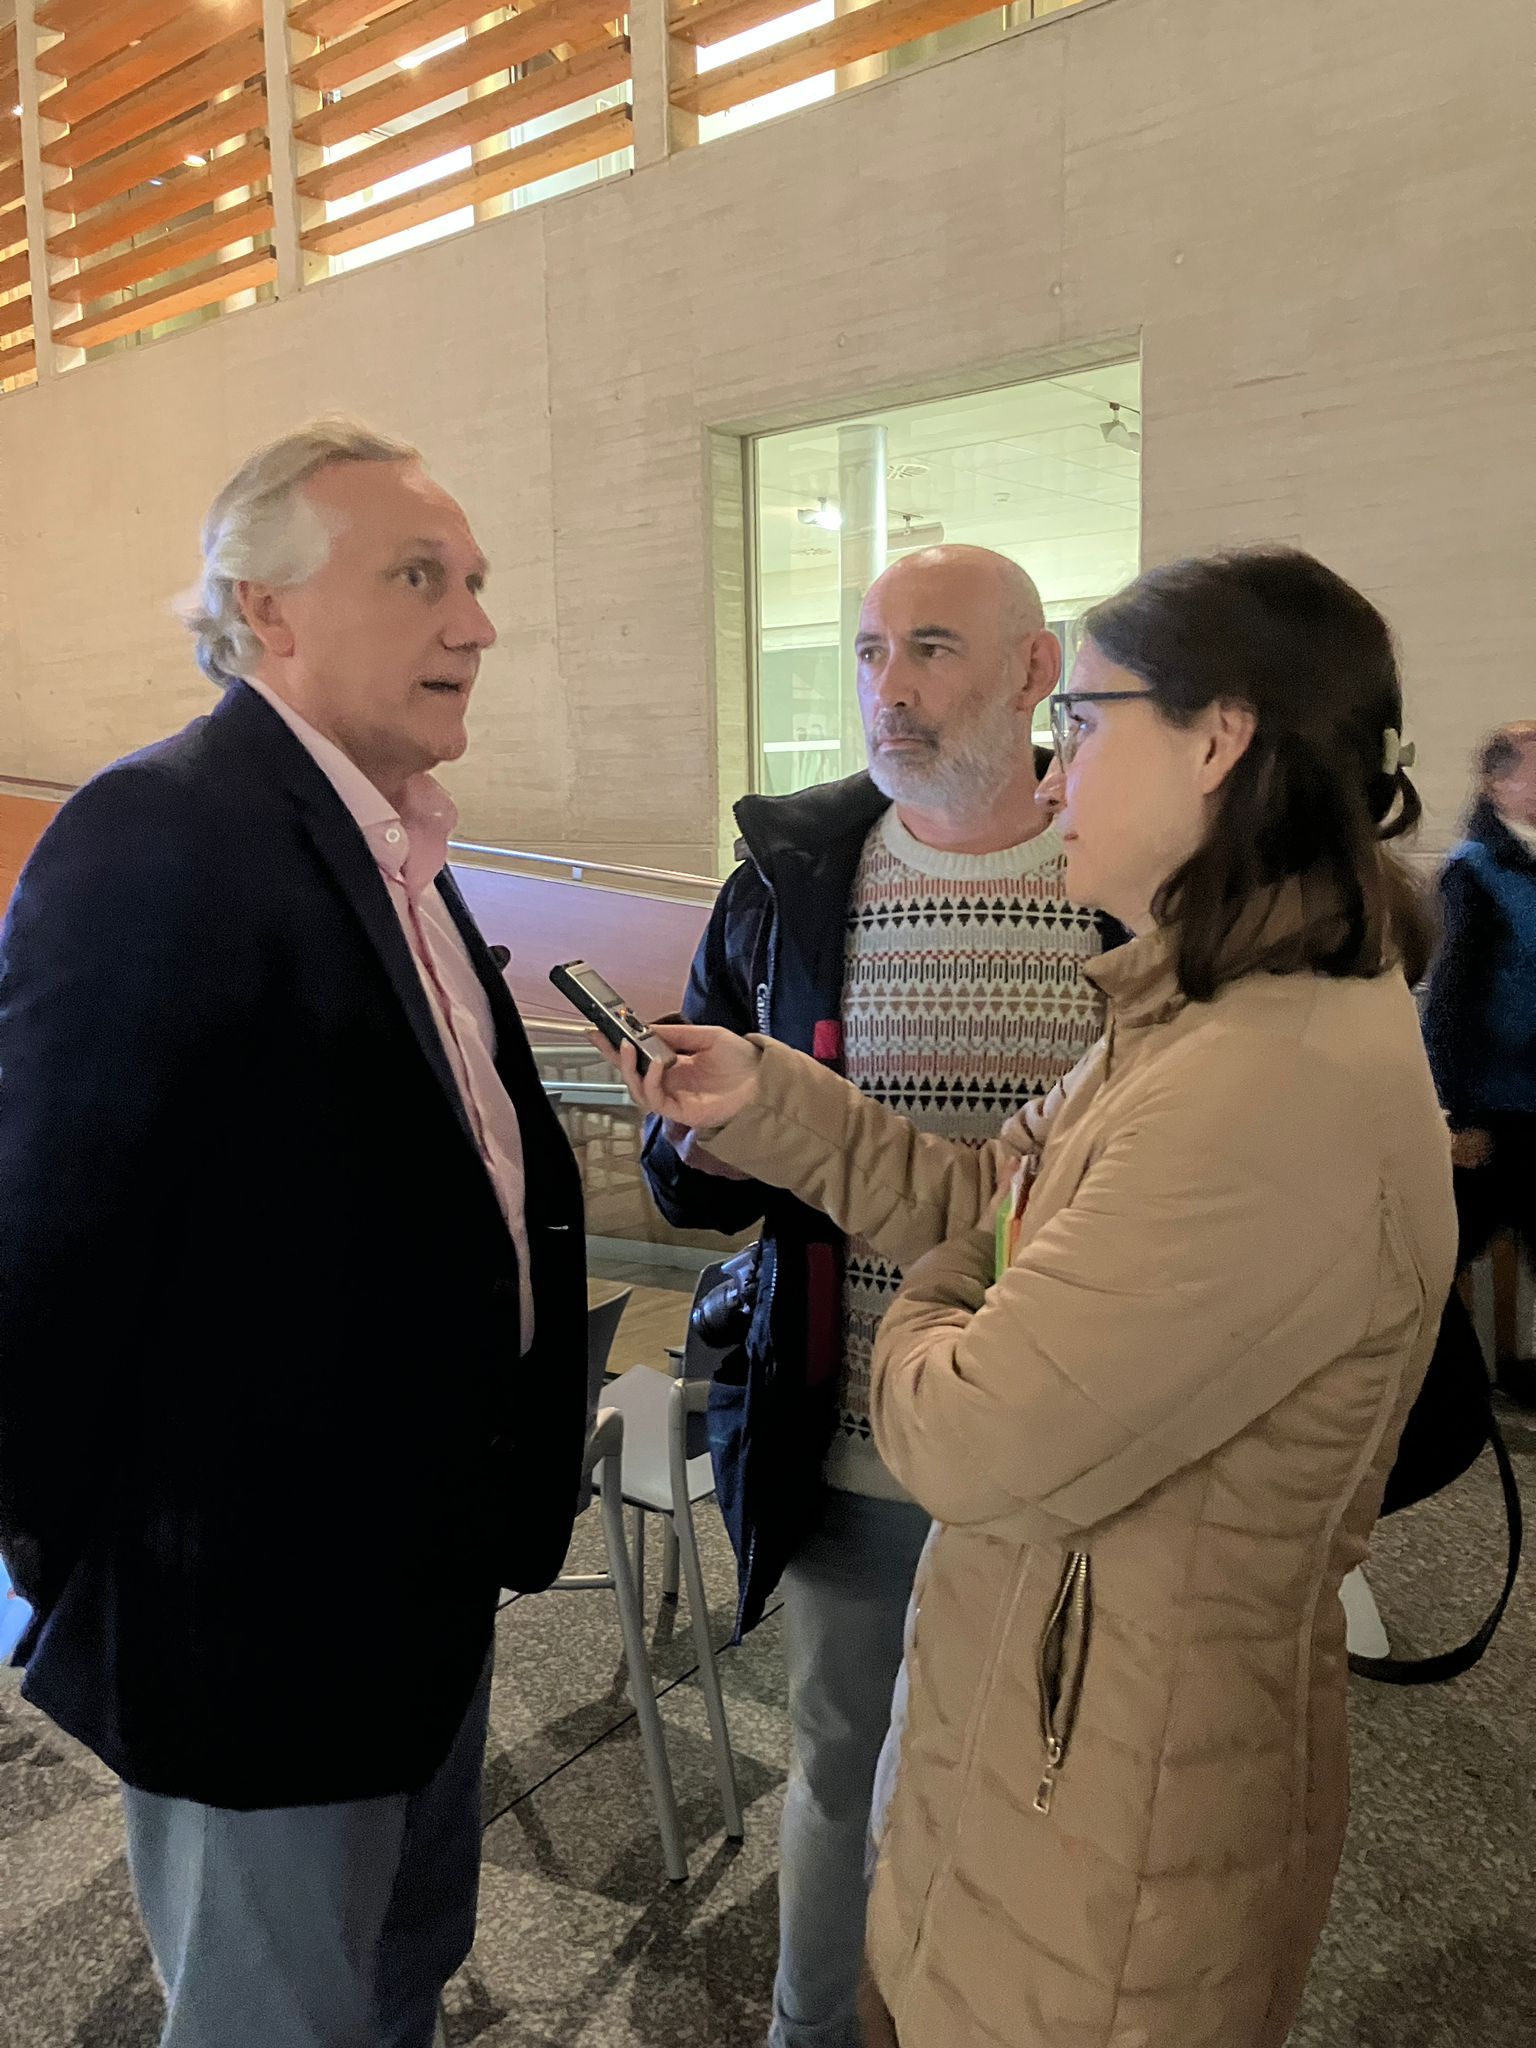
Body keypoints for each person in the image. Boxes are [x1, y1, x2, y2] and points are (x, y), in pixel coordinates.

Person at [615, 547, 1457, 2048]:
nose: (1062, 776)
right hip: (1064, 1672)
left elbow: (973, 1426)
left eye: (1086, 721)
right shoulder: (1192, 1018)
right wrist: (774, 1101)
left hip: (1123, 1770)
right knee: (854, 1798)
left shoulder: (1263, 1084)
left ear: (1219, 740)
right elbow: (980, 1210)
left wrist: (946, 1306)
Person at [0, 419, 589, 2048]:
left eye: (474, 582)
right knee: (278, 2017)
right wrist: (79, 1572)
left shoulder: (398, 843)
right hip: (251, 1622)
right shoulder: (160, 836)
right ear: (267, 609)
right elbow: (41, 1250)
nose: (476, 622)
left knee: (396, 1976)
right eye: (419, 579)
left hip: (419, 1581)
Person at [641, 545, 1108, 2048]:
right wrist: (696, 1138)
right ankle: (813, 2028)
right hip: (851, 1431)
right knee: (843, 1761)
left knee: (1062, 1785)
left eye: (931, 649)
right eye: (866, 652)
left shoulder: (1129, 880)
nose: (887, 689)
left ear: (1036, 672)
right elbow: (697, 1186)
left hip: (1074, 1448)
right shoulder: (790, 887)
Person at [1423, 721, 1536, 1403]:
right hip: (1494, 1106)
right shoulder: (1475, 871)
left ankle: (1508, 1371)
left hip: (1530, 1102)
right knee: (1436, 1258)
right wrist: (1457, 1114)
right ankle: (1436, 1389)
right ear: (1498, 783)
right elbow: (1452, 1001)